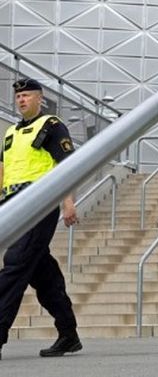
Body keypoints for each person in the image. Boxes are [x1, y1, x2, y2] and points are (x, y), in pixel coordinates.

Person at [0, 78, 82, 359]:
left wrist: (68, 202)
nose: (21, 99)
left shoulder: (51, 125)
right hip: (11, 204)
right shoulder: (11, 132)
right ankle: (69, 334)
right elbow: (3, 171)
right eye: (18, 96)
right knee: (41, 271)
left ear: (40, 98)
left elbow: (67, 165)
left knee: (14, 264)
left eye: (27, 95)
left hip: (38, 203)